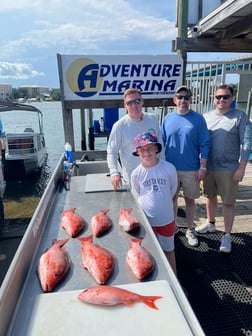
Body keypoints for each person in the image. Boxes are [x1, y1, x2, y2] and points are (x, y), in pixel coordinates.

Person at [195, 84, 251, 253]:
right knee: (209, 196)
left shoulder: (240, 117)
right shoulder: (205, 117)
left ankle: (227, 235)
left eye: (226, 96)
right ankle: (211, 223)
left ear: (232, 98)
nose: (221, 100)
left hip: (228, 167)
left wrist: (241, 168)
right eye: (218, 97)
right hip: (208, 166)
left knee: (228, 202)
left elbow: (247, 144)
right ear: (214, 99)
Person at [161, 86, 210, 247]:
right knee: (171, 200)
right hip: (170, 168)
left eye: (186, 97)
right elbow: (160, 144)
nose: (183, 100)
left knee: (190, 200)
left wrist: (203, 167)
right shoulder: (167, 119)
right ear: (175, 100)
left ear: (190, 100)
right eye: (180, 97)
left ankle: (190, 229)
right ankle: (172, 227)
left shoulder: (198, 119)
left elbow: (205, 143)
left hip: (191, 168)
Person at [131, 132, 178, 274]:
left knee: (169, 250)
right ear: (138, 152)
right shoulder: (136, 174)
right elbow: (137, 195)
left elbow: (173, 191)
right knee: (149, 252)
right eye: (142, 150)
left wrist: (171, 215)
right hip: (147, 221)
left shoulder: (169, 168)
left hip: (166, 220)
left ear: (156, 149)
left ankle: (175, 278)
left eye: (150, 148)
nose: (146, 153)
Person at [107, 88, 163, 190]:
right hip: (132, 178)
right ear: (125, 106)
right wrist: (114, 172)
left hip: (155, 174)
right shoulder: (119, 126)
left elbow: (160, 146)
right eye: (129, 103)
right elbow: (112, 151)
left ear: (142, 102)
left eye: (137, 101)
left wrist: (163, 168)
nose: (134, 106)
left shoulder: (153, 119)